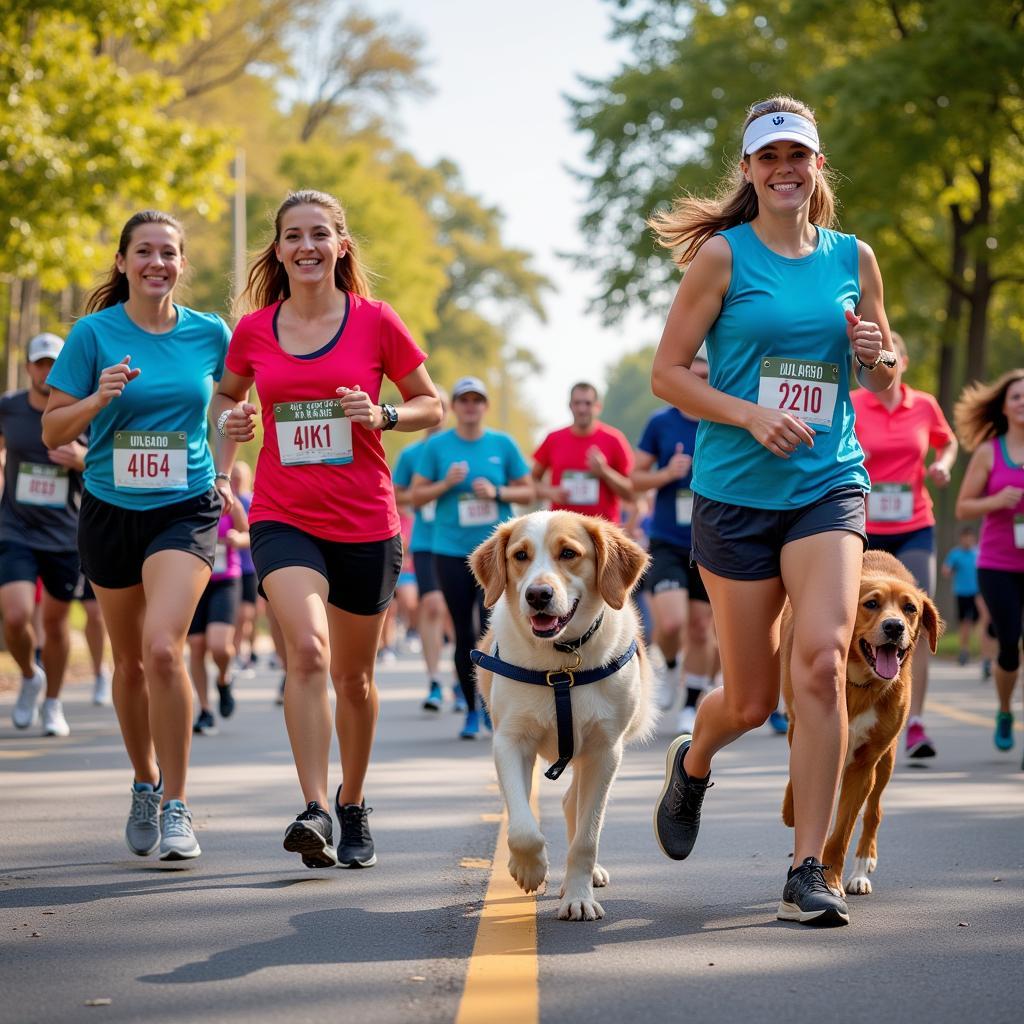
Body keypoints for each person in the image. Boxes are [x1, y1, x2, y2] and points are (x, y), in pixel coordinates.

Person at [648, 95, 897, 927]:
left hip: (828, 484)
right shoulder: (722, 258)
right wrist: (750, 412)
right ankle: (695, 760)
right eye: (769, 158)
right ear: (750, 171)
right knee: (752, 701)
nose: (785, 170)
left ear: (817, 167)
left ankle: (807, 869)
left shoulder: (854, 258)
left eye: (799, 156)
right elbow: (669, 374)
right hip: (735, 495)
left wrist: (879, 359)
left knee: (824, 661)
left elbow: (883, 374)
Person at [213, 189, 442, 870]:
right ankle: (313, 806)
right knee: (306, 652)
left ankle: (353, 801)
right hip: (285, 516)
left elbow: (428, 401)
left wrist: (383, 417)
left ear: (341, 245)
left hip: (367, 521)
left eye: (320, 234)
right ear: (278, 249)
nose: (306, 246)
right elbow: (227, 397)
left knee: (355, 679)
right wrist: (229, 450)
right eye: (293, 236)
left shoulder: (375, 321)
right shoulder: (254, 330)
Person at [42, 210, 232, 862]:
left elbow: (234, 405)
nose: (157, 262)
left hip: (186, 506)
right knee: (127, 662)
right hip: (109, 510)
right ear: (122, 262)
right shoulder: (93, 334)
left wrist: (234, 455)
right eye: (144, 252)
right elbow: (53, 433)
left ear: (182, 263)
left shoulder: (211, 334)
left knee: (160, 650)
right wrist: (97, 399)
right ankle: (145, 780)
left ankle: (178, 803)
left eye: (169, 252)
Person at [852, 331, 957, 759]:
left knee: (913, 620)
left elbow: (946, 442)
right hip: (861, 524)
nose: (883, 361)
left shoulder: (925, 405)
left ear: (904, 361)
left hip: (913, 522)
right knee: (853, 617)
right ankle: (838, 706)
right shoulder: (855, 403)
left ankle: (911, 720)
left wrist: (942, 465)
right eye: (875, 355)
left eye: (890, 355)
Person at [410, 376, 533, 739]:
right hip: (449, 550)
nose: (470, 406)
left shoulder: (502, 444)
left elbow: (529, 491)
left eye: (477, 400)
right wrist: (445, 484)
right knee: (463, 631)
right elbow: (415, 496)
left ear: (485, 406)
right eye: (463, 400)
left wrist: (498, 491)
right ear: (456, 406)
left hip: (496, 553)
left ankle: (493, 705)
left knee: (491, 628)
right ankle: (470, 708)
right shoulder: (437, 447)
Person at [0, 333, 86, 737]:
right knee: (15, 615)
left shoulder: (80, 408)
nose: (47, 371)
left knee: (55, 625)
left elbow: (106, 462)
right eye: (41, 363)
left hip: (65, 533)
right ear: (30, 367)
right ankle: (28, 674)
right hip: (15, 526)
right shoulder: (9, 407)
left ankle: (52, 701)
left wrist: (81, 459)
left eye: (55, 363)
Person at [632, 350, 716, 733]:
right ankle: (666, 666)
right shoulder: (660, 423)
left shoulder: (723, 417)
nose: (698, 384)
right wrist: (667, 473)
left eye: (705, 377)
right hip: (667, 539)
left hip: (712, 539)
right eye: (692, 377)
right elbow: (635, 479)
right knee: (670, 622)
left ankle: (692, 704)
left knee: (701, 628)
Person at [953, 369, 1024, 764]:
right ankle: (1004, 708)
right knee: (1010, 645)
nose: (1023, 402)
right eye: (1016, 396)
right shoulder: (990, 452)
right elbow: (964, 506)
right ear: (1004, 405)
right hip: (998, 565)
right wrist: (996, 502)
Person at [392, 388, 453, 712]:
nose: (438, 414)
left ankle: (463, 678)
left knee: (461, 614)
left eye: (443, 407)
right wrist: (425, 496)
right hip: (427, 540)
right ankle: (433, 680)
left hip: (463, 543)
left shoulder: (460, 451)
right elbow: (396, 495)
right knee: (431, 606)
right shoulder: (412, 455)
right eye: (434, 407)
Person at [532, 382, 634, 523]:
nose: (582, 409)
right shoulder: (553, 439)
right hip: (562, 531)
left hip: (602, 532)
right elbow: (530, 481)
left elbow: (632, 492)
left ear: (597, 407)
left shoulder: (614, 439)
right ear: (570, 406)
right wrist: (549, 492)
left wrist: (604, 472)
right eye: (577, 403)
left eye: (587, 403)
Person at [188, 500, 249, 734]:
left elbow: (248, 534)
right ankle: (205, 710)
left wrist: (237, 538)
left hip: (225, 581)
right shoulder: (187, 495)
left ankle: (224, 678)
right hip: (194, 580)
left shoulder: (228, 501)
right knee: (196, 645)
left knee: (220, 647)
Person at [942, 526, 992, 674]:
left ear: (974, 539)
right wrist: (950, 569)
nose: (967, 540)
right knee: (965, 623)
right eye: (965, 537)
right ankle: (964, 650)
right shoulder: (955, 554)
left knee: (984, 620)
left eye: (970, 537)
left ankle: (985, 657)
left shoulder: (979, 553)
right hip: (962, 593)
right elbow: (946, 570)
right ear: (961, 539)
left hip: (978, 593)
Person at [230, 460, 260, 669]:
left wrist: (240, 539)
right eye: (234, 476)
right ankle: (238, 652)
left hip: (250, 567)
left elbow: (256, 533)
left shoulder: (250, 501)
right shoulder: (227, 502)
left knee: (247, 615)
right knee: (238, 615)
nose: (237, 480)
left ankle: (246, 650)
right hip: (230, 569)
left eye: (240, 476)